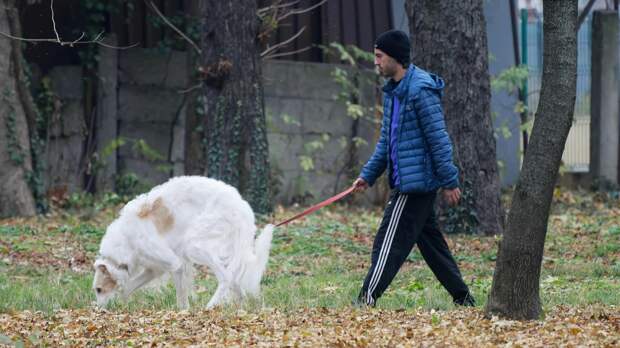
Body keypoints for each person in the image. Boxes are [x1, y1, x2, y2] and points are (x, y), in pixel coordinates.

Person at [352, 29, 475, 307]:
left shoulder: (420, 90)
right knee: (433, 247)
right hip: (408, 181)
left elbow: (438, 139)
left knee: (387, 243)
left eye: (380, 56)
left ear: (396, 58)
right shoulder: (394, 92)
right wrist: (367, 176)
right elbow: (386, 143)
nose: (376, 62)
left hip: (414, 184)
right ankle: (463, 298)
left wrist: (450, 181)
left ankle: (365, 301)